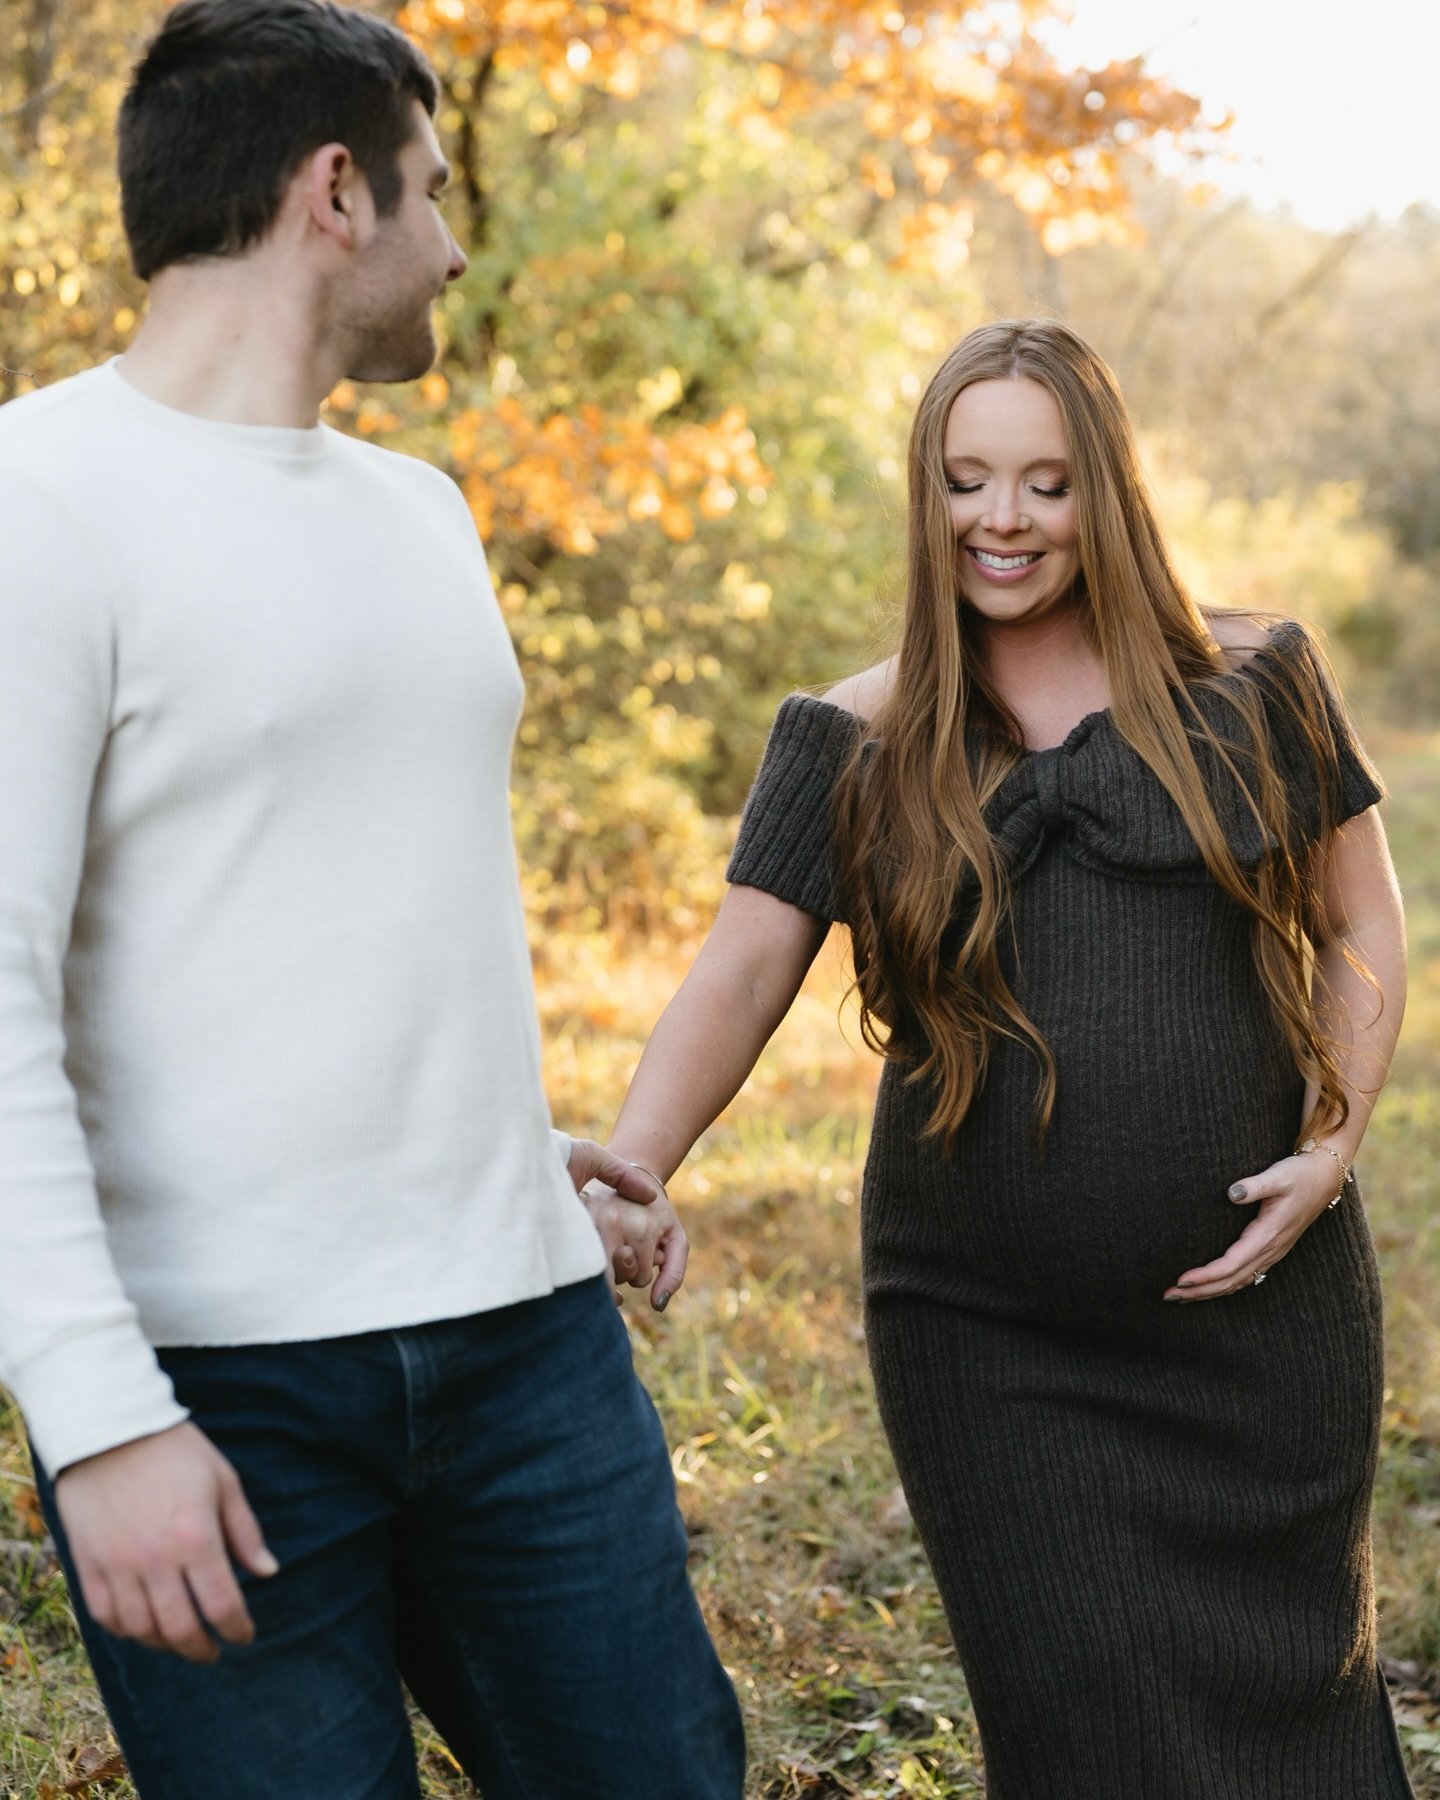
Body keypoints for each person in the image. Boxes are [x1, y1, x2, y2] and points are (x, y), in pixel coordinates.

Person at [0, 4, 743, 1796]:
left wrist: (492, 1146)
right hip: (220, 1395)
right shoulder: (36, 501)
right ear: (336, 190)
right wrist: (100, 1422)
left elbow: (334, 904)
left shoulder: (425, 513)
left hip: (531, 1346)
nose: (461, 244)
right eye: (436, 189)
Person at [593, 318, 1412, 1796]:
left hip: (1261, 1331)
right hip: (990, 1343)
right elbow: (743, 971)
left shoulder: (1254, 679)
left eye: (1044, 483)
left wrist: (1334, 1137)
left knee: (1298, 1710)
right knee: (1081, 1728)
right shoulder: (854, 734)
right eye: (968, 481)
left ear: (1107, 489)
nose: (1003, 520)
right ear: (927, 493)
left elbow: (1360, 913)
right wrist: (634, 1163)